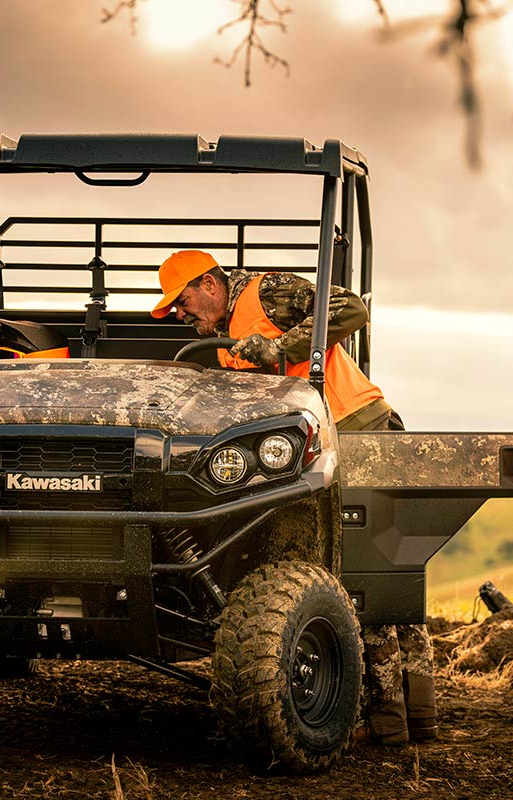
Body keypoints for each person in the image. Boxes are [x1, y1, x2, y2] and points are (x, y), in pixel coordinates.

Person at [150, 249, 433, 745]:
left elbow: (349, 308)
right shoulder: (222, 344)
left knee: (370, 572)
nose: (179, 312)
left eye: (183, 299)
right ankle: (410, 715)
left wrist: (279, 347)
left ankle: (397, 717)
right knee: (382, 568)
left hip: (357, 427)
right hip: (317, 444)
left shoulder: (266, 292)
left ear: (211, 285)